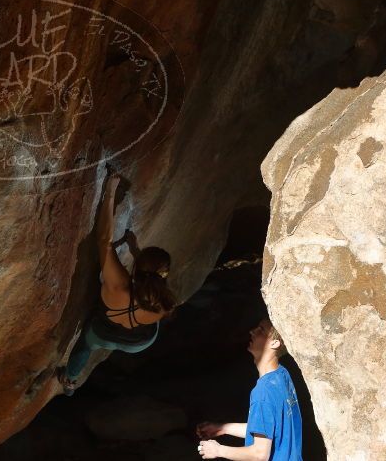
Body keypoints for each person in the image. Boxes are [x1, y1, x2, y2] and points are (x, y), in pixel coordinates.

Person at [56, 171, 177, 396]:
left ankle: (70, 382)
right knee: (146, 309)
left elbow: (104, 241)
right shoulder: (164, 302)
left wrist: (110, 193)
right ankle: (70, 383)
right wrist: (136, 252)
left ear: (138, 266)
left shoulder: (117, 286)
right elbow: (152, 279)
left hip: (103, 334)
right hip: (139, 343)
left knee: (85, 345)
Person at [196, 317, 303, 461]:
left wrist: (218, 450)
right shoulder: (282, 375)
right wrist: (223, 428)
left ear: (275, 343)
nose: (252, 331)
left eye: (261, 330)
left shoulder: (263, 392)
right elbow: (267, 428)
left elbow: (260, 454)